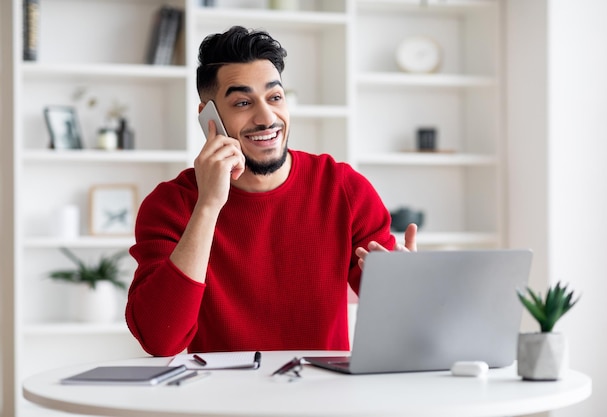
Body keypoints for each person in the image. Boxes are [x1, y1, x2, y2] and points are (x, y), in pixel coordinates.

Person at [125, 26, 417, 357]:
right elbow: (159, 340)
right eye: (242, 102)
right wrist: (208, 205)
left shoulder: (344, 188)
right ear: (209, 117)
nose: (267, 118)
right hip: (219, 403)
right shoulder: (171, 204)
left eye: (275, 97)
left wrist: (404, 284)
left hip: (323, 399)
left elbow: (401, 317)